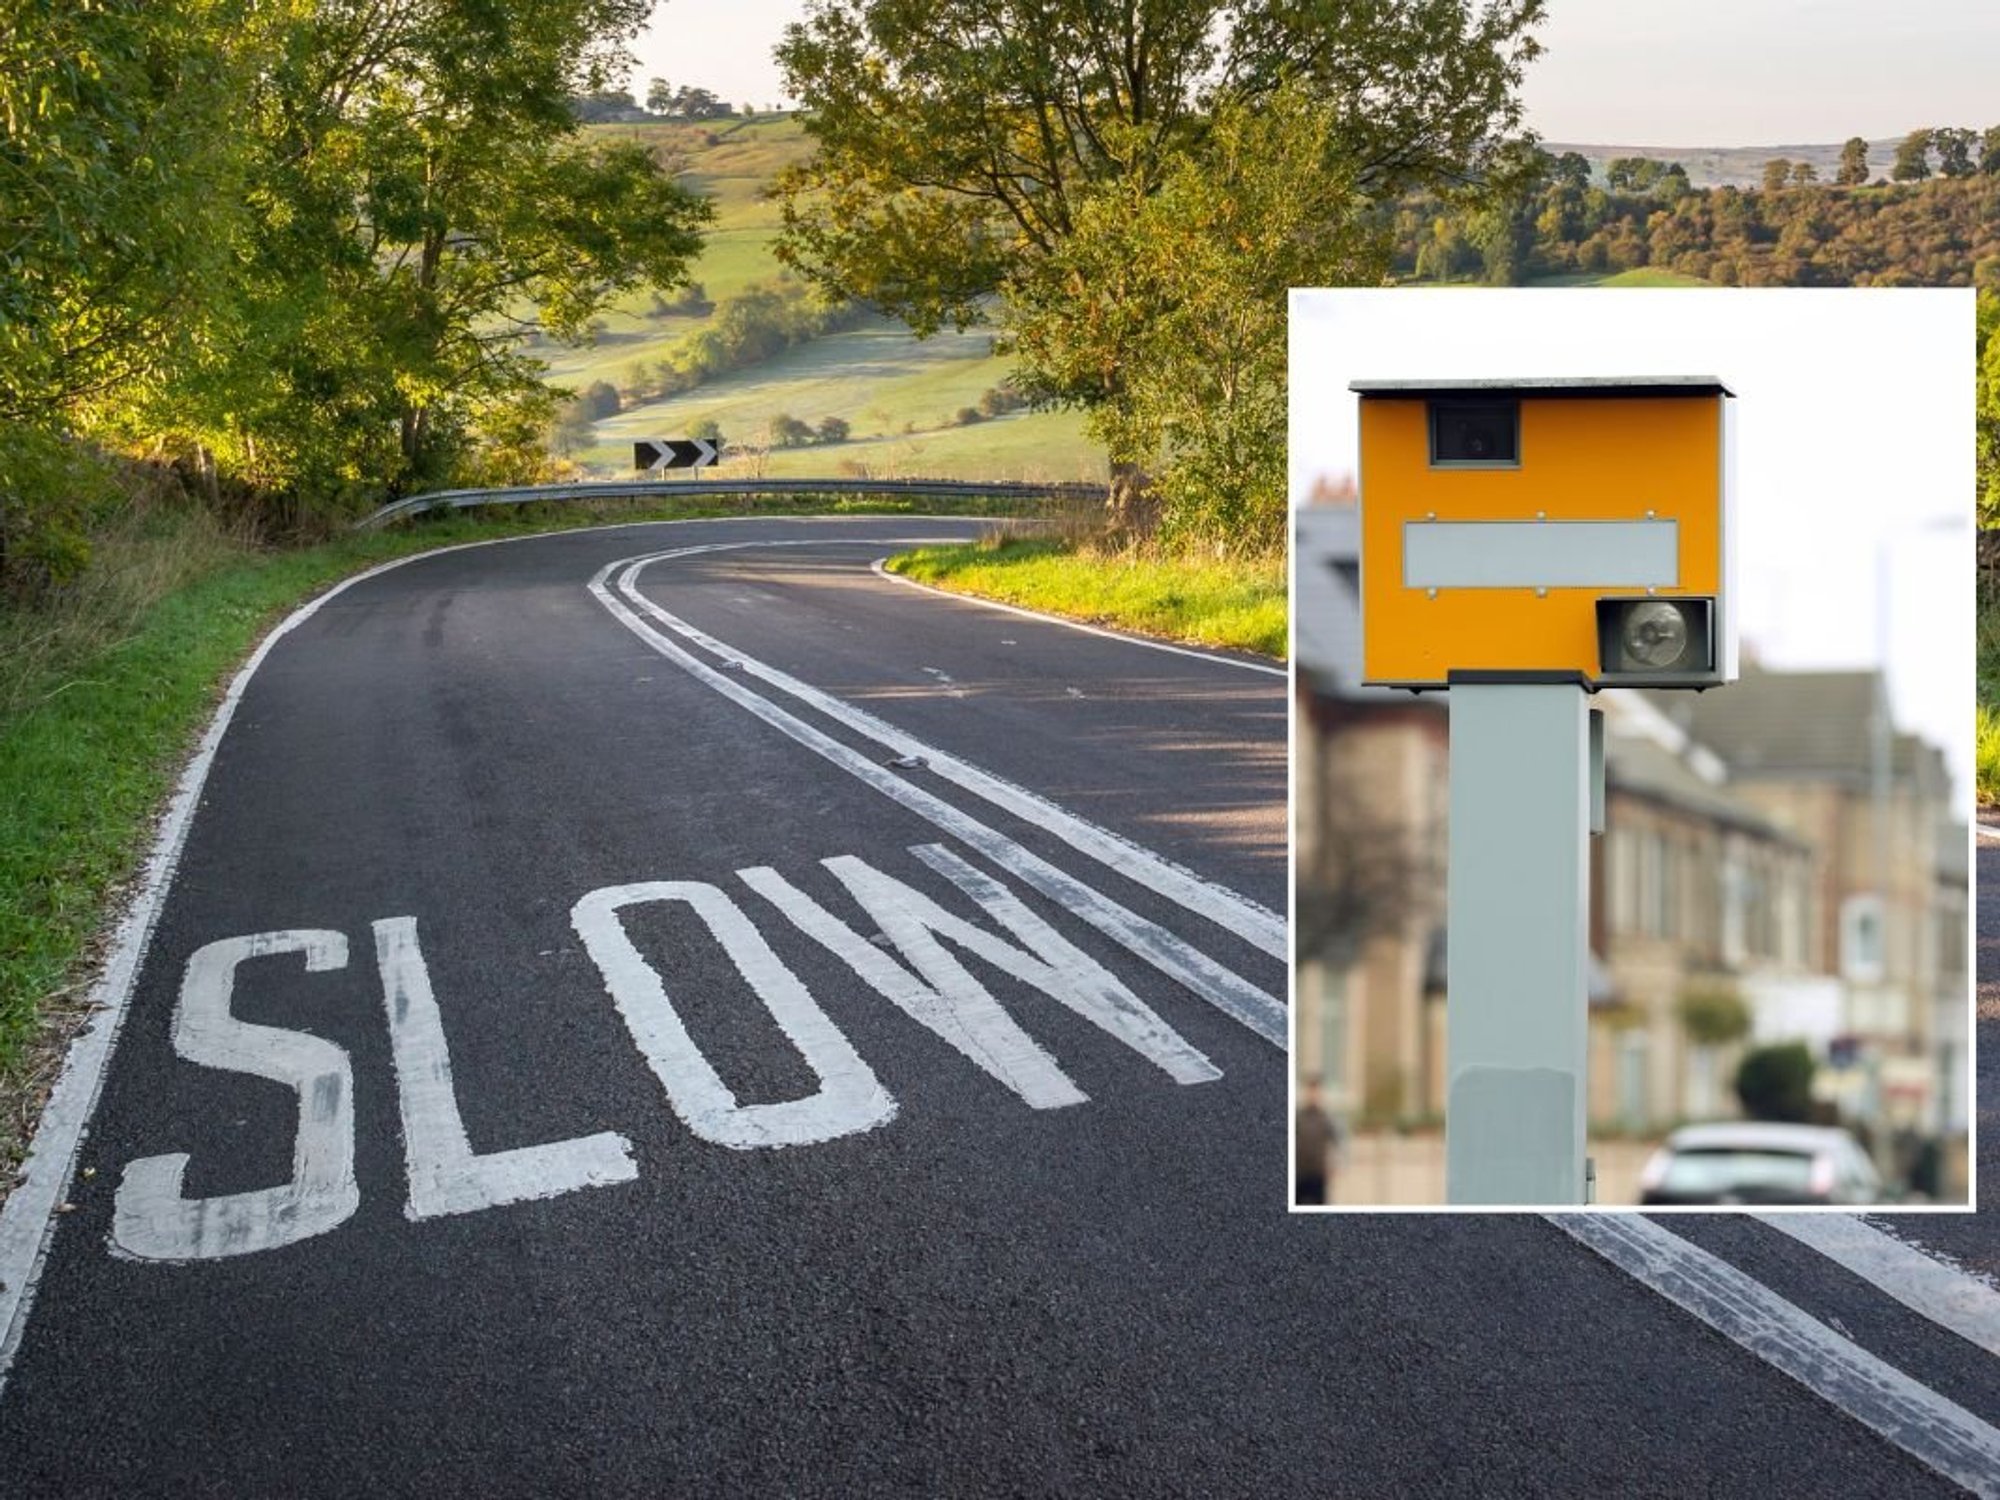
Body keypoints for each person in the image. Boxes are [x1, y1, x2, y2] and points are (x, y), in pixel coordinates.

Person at [1295, 1076, 1341, 1206]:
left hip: (1318, 1174)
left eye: (1316, 1091)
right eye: (1310, 1091)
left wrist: (1335, 1165)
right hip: (1299, 1173)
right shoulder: (1297, 1117)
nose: (1313, 1095)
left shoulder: (1326, 1118)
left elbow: (1336, 1142)